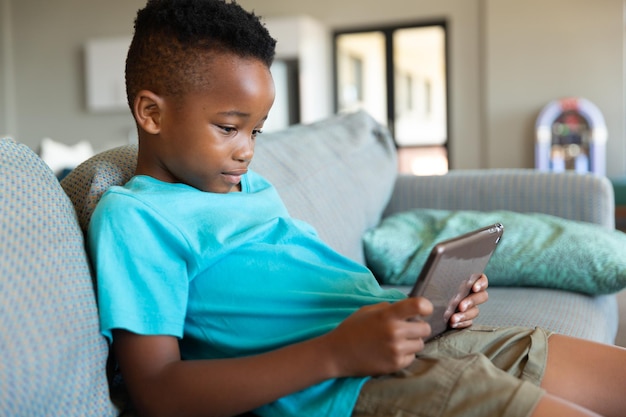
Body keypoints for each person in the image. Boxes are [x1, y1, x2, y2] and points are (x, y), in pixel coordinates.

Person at [87, 1, 626, 416]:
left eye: (255, 130)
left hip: (403, 345)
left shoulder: (245, 188)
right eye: (229, 128)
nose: (247, 149)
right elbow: (159, 392)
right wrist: (337, 355)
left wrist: (427, 310)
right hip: (354, 385)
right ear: (151, 113)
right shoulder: (136, 217)